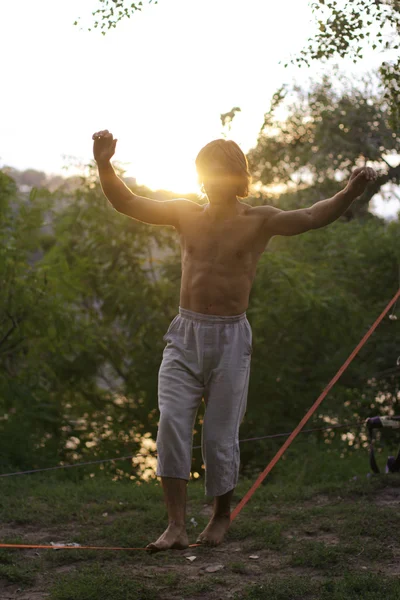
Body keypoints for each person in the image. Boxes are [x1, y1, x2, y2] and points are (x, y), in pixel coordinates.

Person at [92, 130, 377, 552]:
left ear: (237, 177)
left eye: (222, 174)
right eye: (206, 174)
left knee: (219, 436)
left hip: (230, 336)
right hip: (185, 333)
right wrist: (103, 164)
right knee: (171, 423)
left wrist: (351, 190)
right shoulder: (185, 213)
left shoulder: (258, 220)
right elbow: (129, 202)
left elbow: (314, 215)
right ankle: (175, 526)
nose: (212, 182)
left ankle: (221, 515)